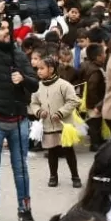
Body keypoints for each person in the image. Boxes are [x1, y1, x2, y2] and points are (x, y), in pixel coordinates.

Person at [0, 5, 39, 221]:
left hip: (18, 119)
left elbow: (35, 83)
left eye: (7, 28)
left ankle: (25, 210)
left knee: (20, 168)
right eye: (0, 28)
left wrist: (23, 79)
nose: (4, 31)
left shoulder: (19, 54)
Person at [29, 52, 81, 188]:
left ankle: (75, 176)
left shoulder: (64, 85)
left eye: (42, 68)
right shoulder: (37, 87)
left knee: (69, 151)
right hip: (48, 125)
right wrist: (39, 112)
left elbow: (73, 101)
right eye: (38, 69)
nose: (38, 71)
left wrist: (60, 113)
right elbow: (33, 103)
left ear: (51, 69)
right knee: (52, 152)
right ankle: (53, 176)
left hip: (64, 126)